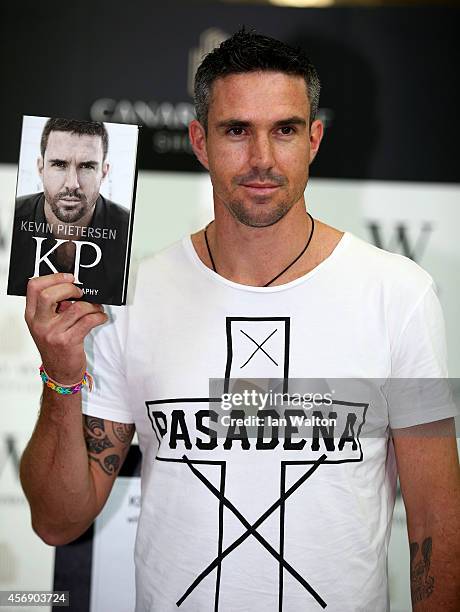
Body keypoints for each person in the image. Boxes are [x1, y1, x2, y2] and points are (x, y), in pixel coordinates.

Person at [20, 30, 459, 611]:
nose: (261, 159)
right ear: (199, 141)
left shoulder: (400, 293)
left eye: (285, 130)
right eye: (236, 130)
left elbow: (435, 523)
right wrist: (59, 372)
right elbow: (57, 520)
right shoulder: (133, 297)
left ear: (315, 139)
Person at [7, 118, 130, 304]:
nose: (72, 184)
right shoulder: (12, 219)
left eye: (87, 166)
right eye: (59, 164)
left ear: (104, 173)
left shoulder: (127, 230)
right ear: (40, 168)